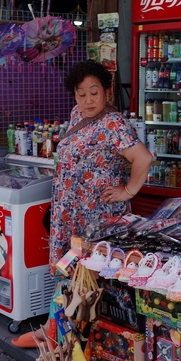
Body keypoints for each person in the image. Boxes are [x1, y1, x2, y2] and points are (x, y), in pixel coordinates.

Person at [49, 60, 152, 267]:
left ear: (107, 91)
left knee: (95, 273)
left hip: (97, 214)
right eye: (82, 94)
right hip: (69, 210)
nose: (88, 101)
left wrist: (128, 191)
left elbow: (143, 158)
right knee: (71, 274)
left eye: (94, 93)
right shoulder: (77, 114)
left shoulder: (113, 123)